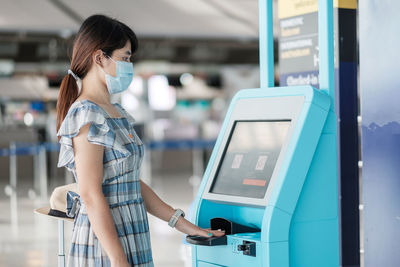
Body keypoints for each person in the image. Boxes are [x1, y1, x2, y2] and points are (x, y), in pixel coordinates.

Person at [56, 14, 224, 267]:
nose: (128, 65)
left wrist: (186, 225)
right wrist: (118, 259)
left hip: (132, 231)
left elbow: (131, 183)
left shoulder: (116, 112)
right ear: (100, 57)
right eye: (124, 58)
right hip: (105, 244)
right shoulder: (86, 113)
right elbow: (91, 195)